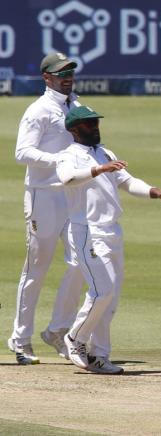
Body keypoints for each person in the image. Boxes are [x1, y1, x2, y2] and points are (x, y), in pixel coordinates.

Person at [56, 105, 161, 374]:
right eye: (89, 125)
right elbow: (67, 179)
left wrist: (155, 192)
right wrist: (99, 170)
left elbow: (127, 181)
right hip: (86, 230)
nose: (95, 128)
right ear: (75, 129)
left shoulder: (105, 152)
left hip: (112, 231)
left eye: (96, 123)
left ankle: (99, 356)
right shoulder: (68, 156)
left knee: (109, 301)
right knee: (102, 291)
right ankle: (75, 338)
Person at [9, 52, 86, 365]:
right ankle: (20, 339)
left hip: (73, 195)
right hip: (43, 196)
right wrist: (59, 161)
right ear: (47, 77)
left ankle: (58, 330)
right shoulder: (39, 110)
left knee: (82, 262)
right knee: (36, 270)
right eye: (60, 73)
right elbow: (22, 152)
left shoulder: (77, 105)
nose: (66, 77)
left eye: (69, 72)